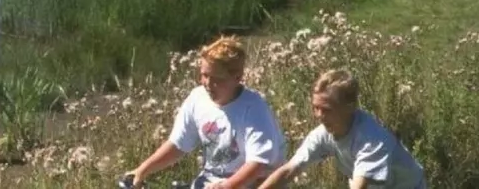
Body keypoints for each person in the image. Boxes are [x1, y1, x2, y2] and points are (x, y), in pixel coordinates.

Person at [124, 35, 285, 188]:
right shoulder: (197, 98)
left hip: (252, 183)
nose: (208, 83)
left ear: (237, 77)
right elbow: (178, 145)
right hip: (209, 181)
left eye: (217, 79)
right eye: (204, 75)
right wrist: (142, 170)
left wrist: (227, 186)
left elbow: (258, 164)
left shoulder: (254, 108)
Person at [255, 69, 426, 189]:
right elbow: (289, 170)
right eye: (315, 107)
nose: (319, 115)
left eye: (327, 109)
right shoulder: (323, 134)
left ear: (350, 107)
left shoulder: (371, 139)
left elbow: (361, 186)